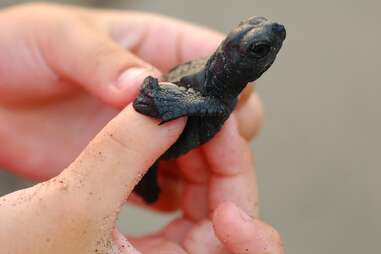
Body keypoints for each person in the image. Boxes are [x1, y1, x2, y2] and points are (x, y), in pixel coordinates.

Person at [0, 3, 284, 254]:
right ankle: (148, 182)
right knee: (154, 175)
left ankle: (148, 183)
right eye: (259, 49)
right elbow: (156, 99)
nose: (277, 34)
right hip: (161, 144)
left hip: (170, 131)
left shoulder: (216, 96)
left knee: (156, 181)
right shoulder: (213, 102)